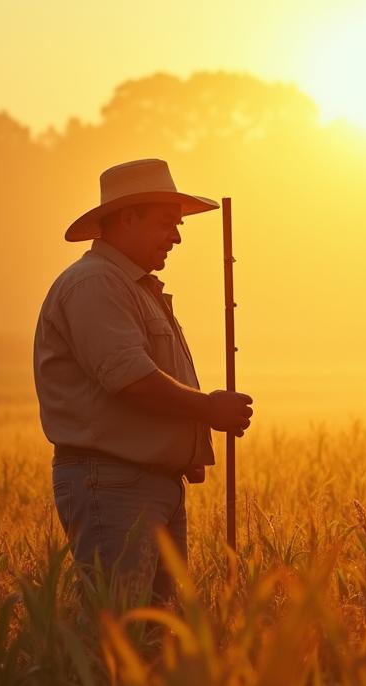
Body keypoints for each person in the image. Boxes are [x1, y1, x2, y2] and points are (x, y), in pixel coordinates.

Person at [33, 158, 253, 598]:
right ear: (128, 218)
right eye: (166, 223)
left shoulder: (132, 287)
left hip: (148, 484)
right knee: (121, 630)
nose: (176, 237)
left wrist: (185, 445)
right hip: (113, 485)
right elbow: (131, 379)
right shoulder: (95, 285)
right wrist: (208, 409)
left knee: (157, 635)